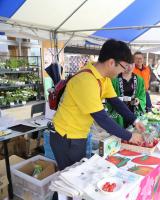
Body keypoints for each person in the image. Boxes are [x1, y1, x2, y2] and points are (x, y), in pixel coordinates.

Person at [51, 39, 145, 171]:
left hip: (79, 134)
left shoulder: (103, 77)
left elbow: (115, 102)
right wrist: (129, 136)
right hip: (66, 136)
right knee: (71, 180)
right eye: (123, 67)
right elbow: (102, 118)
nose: (122, 72)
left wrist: (135, 120)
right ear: (111, 63)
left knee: (77, 175)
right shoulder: (86, 80)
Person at [107, 62, 146, 128]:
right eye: (127, 64)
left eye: (132, 64)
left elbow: (142, 95)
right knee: (120, 135)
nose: (130, 67)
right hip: (118, 112)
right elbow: (109, 98)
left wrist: (138, 101)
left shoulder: (139, 80)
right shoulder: (114, 80)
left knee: (134, 133)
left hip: (134, 111)